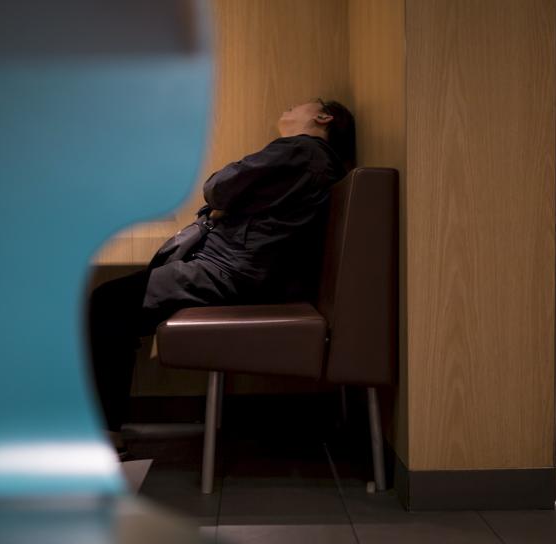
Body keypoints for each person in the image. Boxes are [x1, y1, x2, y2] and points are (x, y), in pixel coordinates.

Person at [86, 98, 356, 457]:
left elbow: (218, 187)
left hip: (229, 272)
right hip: (248, 271)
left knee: (105, 304)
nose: (289, 105)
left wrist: (222, 192)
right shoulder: (315, 163)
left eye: (302, 104)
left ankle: (105, 434)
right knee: (117, 307)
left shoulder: (301, 150)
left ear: (324, 117)